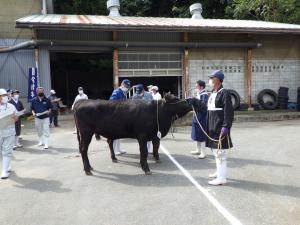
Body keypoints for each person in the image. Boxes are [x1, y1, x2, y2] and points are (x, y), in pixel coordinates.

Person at [191, 70, 234, 186]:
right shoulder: (213, 93)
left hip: (219, 127)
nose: (210, 80)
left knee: (220, 153)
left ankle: (222, 178)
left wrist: (226, 126)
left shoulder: (224, 93)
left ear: (218, 80)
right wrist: (194, 101)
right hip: (211, 126)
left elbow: (228, 111)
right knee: (215, 152)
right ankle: (219, 172)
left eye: (212, 78)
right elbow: (205, 107)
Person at [0, 89, 18, 179]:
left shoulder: (11, 106)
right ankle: (6, 165)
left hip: (9, 132)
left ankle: (4, 171)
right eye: (3, 95)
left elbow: (16, 119)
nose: (5, 97)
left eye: (6, 95)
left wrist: (15, 117)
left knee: (7, 151)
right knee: (1, 152)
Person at [109, 79, 131, 155]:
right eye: (125, 86)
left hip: (121, 116)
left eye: (127, 86)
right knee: (115, 134)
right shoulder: (117, 92)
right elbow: (112, 103)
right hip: (115, 116)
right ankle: (114, 150)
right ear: (122, 84)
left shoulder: (123, 92)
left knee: (119, 134)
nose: (126, 87)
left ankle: (118, 149)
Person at [132, 84, 154, 154]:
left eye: (140, 91)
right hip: (139, 118)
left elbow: (152, 104)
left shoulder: (149, 95)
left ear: (143, 90)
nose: (139, 93)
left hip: (149, 117)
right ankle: (142, 148)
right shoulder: (135, 96)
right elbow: (132, 106)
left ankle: (149, 149)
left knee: (149, 133)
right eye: (137, 92)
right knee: (141, 135)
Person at [190, 80, 209, 159]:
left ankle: (203, 152)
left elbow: (203, 106)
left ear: (201, 87)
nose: (195, 87)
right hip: (196, 116)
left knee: (201, 134)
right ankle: (198, 150)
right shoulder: (199, 94)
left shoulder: (204, 95)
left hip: (201, 117)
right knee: (196, 133)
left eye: (196, 86)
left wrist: (194, 101)